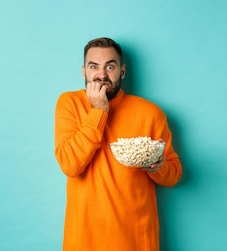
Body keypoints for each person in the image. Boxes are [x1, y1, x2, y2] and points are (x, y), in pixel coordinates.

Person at [53, 37, 182, 250]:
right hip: (84, 241)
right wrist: (99, 111)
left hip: (137, 240)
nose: (101, 75)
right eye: (94, 67)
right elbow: (70, 165)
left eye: (110, 66)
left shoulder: (150, 113)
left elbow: (174, 174)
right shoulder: (69, 104)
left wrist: (158, 168)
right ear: (84, 71)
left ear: (122, 71)